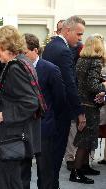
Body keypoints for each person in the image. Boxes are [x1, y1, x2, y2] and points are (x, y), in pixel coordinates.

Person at [0, 25, 42, 189]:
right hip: (16, 138)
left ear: (7, 45)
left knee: (6, 183)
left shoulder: (16, 67)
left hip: (11, 139)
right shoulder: (24, 63)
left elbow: (31, 103)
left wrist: (2, 116)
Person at [42, 15, 86, 189]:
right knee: (55, 156)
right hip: (59, 112)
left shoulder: (52, 46)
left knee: (49, 158)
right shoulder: (63, 50)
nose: (80, 38)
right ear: (68, 31)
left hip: (50, 109)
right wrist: (80, 112)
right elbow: (70, 84)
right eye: (79, 34)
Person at [23, 33, 66, 189]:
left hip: (44, 128)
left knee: (45, 171)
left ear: (35, 50)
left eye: (25, 52)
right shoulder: (17, 68)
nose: (22, 56)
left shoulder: (50, 69)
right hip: (23, 127)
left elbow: (60, 99)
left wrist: (49, 116)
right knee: (23, 171)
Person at [70, 34, 106, 184]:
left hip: (82, 103)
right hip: (90, 105)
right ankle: (76, 172)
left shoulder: (82, 60)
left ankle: (84, 167)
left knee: (85, 137)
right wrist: (103, 87)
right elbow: (92, 85)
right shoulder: (96, 61)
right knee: (85, 140)